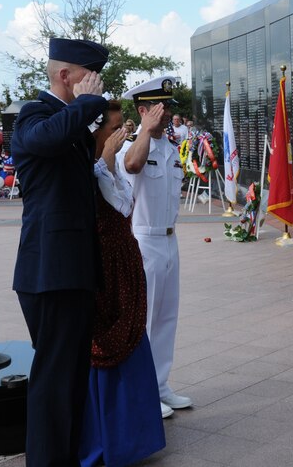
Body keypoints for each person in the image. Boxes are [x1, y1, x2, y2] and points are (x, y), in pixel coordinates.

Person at [12, 37, 109, 467]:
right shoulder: (36, 115)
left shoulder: (69, 121)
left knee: (71, 381)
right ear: (65, 76)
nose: (98, 88)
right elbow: (48, 138)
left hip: (73, 269)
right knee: (53, 381)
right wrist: (86, 106)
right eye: (90, 79)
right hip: (49, 271)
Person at [79, 101, 165, 467]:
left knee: (134, 336)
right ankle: (106, 437)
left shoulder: (108, 167)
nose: (122, 134)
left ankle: (137, 435)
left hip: (124, 264)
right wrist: (108, 159)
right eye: (115, 128)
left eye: (122, 127)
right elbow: (109, 205)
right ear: (97, 132)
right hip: (103, 268)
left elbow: (126, 203)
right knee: (106, 340)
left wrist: (110, 160)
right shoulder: (86, 167)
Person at [118, 76, 192, 417]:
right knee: (144, 320)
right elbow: (131, 166)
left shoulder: (171, 149)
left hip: (170, 240)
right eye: (160, 109)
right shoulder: (132, 147)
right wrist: (144, 131)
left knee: (167, 318)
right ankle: (144, 391)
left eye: (168, 109)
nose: (167, 115)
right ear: (144, 110)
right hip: (144, 240)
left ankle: (161, 385)